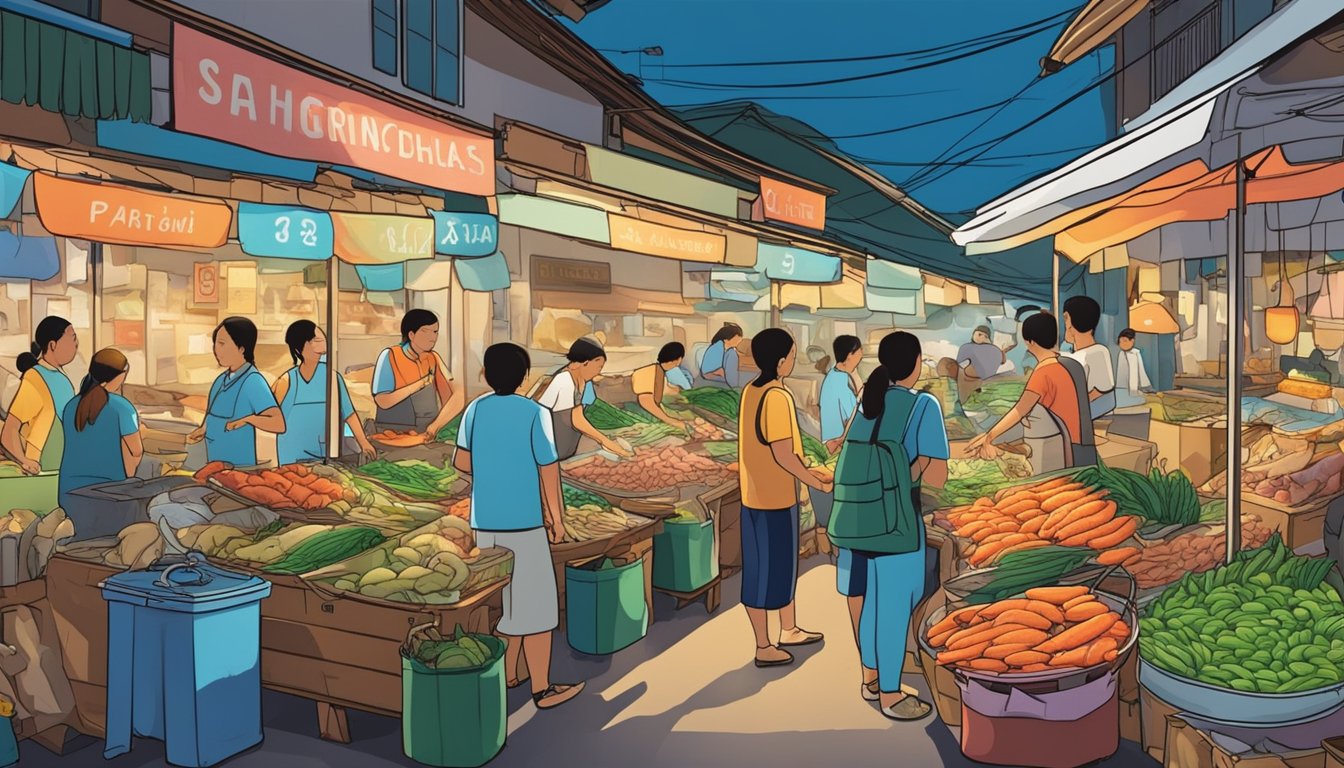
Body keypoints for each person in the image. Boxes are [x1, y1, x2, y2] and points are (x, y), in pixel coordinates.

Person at [453, 343, 584, 710]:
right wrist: (557, 519)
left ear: (486, 376)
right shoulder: (534, 412)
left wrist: (493, 471)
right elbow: (549, 468)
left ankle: (509, 675)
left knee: (507, 604)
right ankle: (542, 689)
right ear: (525, 376)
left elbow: (462, 462)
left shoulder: (474, 410)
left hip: (485, 524)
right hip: (524, 525)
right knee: (538, 611)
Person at [843, 331, 946, 720]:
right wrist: (913, 471)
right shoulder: (923, 405)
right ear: (917, 362)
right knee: (895, 604)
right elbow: (937, 476)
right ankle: (891, 694)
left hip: (858, 516)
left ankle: (870, 678)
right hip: (897, 519)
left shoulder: (867, 400)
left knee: (872, 599)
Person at [737, 328, 831, 668]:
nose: (793, 360)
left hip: (759, 493)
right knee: (765, 573)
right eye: (792, 355)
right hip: (770, 498)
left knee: (779, 569)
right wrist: (815, 482)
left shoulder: (752, 390)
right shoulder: (776, 397)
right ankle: (764, 646)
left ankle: (788, 629)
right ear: (780, 362)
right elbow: (782, 454)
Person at [968, 312, 1096, 473]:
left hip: (1064, 451)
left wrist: (989, 436)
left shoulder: (1043, 372)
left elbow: (1019, 411)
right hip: (1084, 446)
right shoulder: (1072, 364)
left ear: (1030, 342)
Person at [817, 334, 871, 693]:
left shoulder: (844, 378)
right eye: (860, 353)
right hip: (841, 453)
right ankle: (869, 667)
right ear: (851, 355)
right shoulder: (838, 384)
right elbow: (844, 429)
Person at [272, 321, 377, 465]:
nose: (321, 345)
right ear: (299, 347)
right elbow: (271, 418)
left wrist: (364, 442)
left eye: (322, 340)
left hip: (325, 455)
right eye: (315, 340)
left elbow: (349, 414)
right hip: (292, 456)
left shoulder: (333, 378)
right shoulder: (287, 381)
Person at [186, 317, 285, 466]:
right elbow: (215, 415)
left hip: (238, 469)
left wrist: (249, 419)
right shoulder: (220, 380)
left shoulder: (253, 381)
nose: (216, 349)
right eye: (215, 344)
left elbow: (278, 423)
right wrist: (203, 429)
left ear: (241, 348)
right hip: (213, 465)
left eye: (222, 344)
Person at [58, 348, 142, 509]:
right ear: (120, 375)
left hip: (68, 495)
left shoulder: (70, 406)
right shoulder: (122, 407)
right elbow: (136, 452)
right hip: (110, 497)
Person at [371, 309, 464, 440]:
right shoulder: (390, 356)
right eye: (426, 331)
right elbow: (382, 401)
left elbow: (457, 394)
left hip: (427, 433)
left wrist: (435, 426)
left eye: (435, 332)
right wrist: (418, 385)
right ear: (411, 334)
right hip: (394, 432)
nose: (433, 337)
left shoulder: (434, 358)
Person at [2, 316, 77, 475]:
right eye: (72, 339)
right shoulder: (35, 378)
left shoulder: (62, 378)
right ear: (52, 345)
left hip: (64, 466)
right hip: (44, 466)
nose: (76, 344)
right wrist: (24, 460)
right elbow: (10, 429)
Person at [538, 339, 631, 460]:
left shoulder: (579, 381)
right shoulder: (564, 380)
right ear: (586, 363)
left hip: (563, 447)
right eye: (599, 367)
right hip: (551, 448)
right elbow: (576, 420)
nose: (599, 372)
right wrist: (607, 443)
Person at [1063, 296, 1116, 420]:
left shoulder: (1098, 352)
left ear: (1072, 322)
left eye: (1066, 318)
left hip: (1094, 414)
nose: (1065, 324)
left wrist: (1071, 406)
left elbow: (1102, 390)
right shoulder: (1071, 354)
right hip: (1081, 410)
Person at [631, 342, 693, 430]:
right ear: (678, 360)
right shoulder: (649, 371)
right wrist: (670, 420)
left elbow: (667, 389)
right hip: (630, 408)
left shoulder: (660, 371)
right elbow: (645, 401)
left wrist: (682, 392)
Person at [819, 335, 863, 455]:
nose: (862, 356)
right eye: (859, 352)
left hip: (836, 440)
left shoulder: (835, 373)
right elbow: (860, 415)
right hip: (837, 445)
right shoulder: (839, 381)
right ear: (850, 355)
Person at [955, 325, 1007, 404]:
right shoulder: (968, 347)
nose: (982, 337)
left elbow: (959, 364)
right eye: (979, 335)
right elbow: (1003, 361)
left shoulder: (969, 347)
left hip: (975, 378)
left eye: (985, 336)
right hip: (977, 379)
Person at [698, 323, 745, 388]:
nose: (740, 340)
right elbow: (718, 370)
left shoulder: (728, 347)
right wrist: (728, 377)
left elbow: (738, 353)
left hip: (717, 372)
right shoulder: (718, 347)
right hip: (710, 373)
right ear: (726, 339)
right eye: (737, 338)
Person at [1115, 328, 1152, 404]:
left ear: (1132, 341)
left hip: (1134, 390)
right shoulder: (1121, 354)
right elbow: (1120, 375)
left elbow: (1138, 372)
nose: (1122, 344)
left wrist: (1143, 387)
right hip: (1122, 390)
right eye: (1120, 341)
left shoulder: (1135, 353)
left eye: (1125, 341)